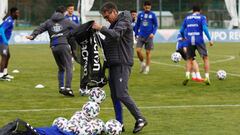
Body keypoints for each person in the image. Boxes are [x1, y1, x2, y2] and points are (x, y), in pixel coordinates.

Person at [92, 2, 147, 133]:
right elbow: (107, 46)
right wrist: (95, 34)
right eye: (104, 18)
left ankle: (140, 119)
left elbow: (116, 34)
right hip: (113, 65)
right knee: (115, 96)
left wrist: (100, 28)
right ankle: (119, 123)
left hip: (123, 63)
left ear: (114, 12)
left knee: (122, 94)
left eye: (107, 16)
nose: (106, 19)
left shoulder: (124, 20)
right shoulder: (113, 25)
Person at [26, 6, 78, 96]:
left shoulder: (49, 21)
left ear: (55, 12)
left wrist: (33, 35)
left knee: (61, 68)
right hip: (63, 45)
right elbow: (77, 28)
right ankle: (68, 88)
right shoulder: (66, 21)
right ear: (64, 12)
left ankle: (61, 87)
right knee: (69, 67)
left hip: (54, 47)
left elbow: (40, 28)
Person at [179, 5, 213, 85]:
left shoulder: (187, 18)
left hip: (189, 40)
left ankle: (187, 75)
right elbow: (204, 28)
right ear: (200, 11)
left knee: (189, 59)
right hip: (199, 40)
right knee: (205, 58)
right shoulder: (202, 17)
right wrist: (210, 39)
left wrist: (184, 37)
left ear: (192, 11)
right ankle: (207, 77)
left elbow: (181, 31)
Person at [134, 1, 158, 74]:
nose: (147, 7)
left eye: (149, 6)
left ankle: (147, 67)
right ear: (144, 7)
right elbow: (137, 25)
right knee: (138, 50)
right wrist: (136, 34)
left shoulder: (153, 15)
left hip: (149, 36)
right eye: (146, 6)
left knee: (148, 52)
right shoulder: (140, 14)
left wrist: (153, 33)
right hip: (141, 35)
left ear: (150, 7)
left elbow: (156, 25)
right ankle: (142, 63)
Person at [0, 7, 19, 81]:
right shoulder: (10, 20)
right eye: (17, 13)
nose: (18, 14)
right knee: (4, 56)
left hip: (3, 41)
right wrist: (5, 40)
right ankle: (1, 75)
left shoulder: (11, 19)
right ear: (12, 13)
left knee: (8, 56)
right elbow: (1, 29)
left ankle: (5, 73)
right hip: (1, 41)